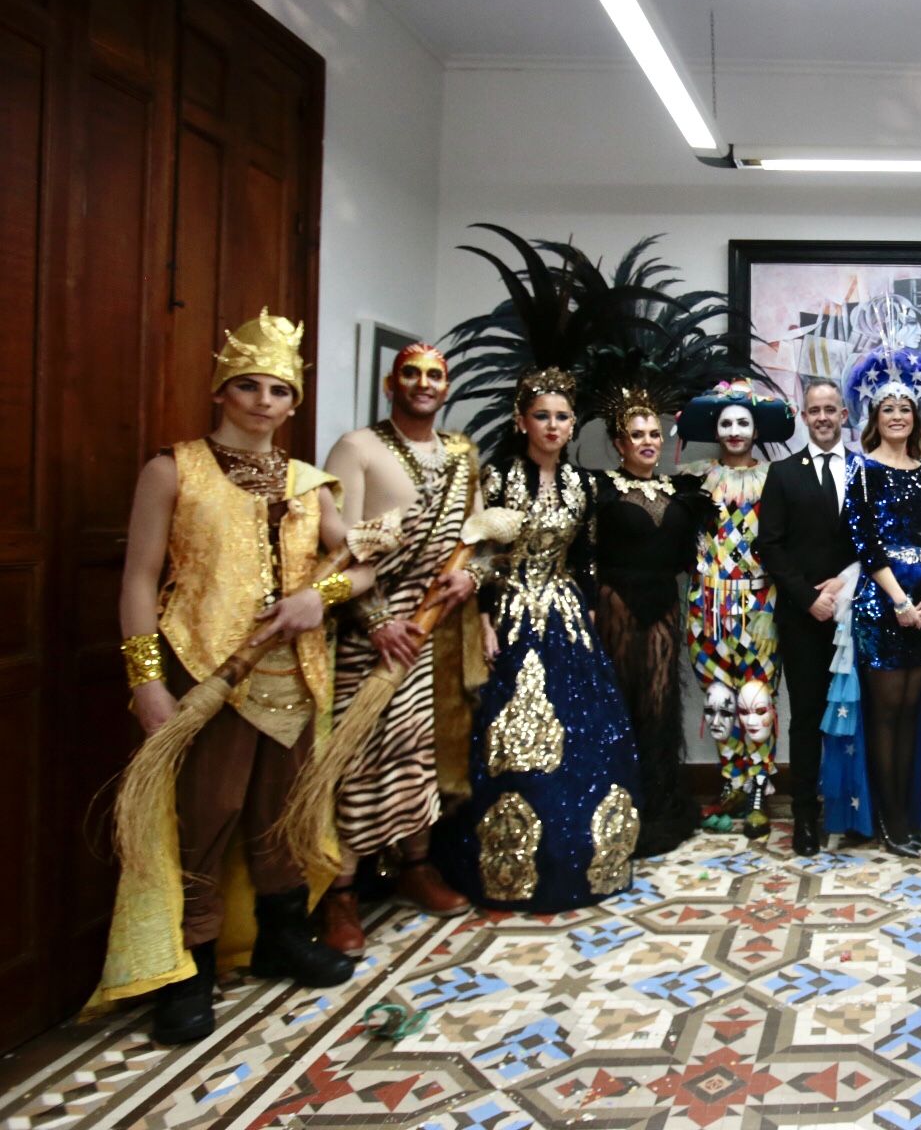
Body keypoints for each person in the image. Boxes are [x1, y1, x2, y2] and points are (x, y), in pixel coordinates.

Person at [91, 310, 375, 1044]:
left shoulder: (311, 483)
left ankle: (281, 936)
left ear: (294, 403)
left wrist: (324, 595)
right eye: (247, 385)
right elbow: (137, 580)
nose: (262, 401)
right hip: (203, 670)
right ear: (222, 392)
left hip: (293, 676)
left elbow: (359, 565)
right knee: (204, 814)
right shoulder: (172, 468)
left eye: (278, 390)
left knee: (281, 813)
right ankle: (188, 964)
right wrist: (145, 681)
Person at [434, 367, 643, 912]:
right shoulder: (497, 477)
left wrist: (590, 612)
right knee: (505, 739)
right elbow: (477, 554)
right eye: (543, 416)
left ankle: (580, 861)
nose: (553, 426)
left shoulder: (581, 483)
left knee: (586, 736)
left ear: (574, 424)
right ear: (521, 420)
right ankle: (503, 864)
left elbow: (587, 555)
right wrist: (481, 620)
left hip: (567, 615)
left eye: (562, 417)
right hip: (506, 612)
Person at [312, 341, 480, 956]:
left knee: (420, 754)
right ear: (391, 384)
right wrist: (378, 617)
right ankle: (341, 892)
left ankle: (416, 866)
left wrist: (472, 577)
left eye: (434, 375)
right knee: (356, 762)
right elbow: (338, 547)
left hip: (435, 629)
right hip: (370, 633)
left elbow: (479, 534)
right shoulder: (358, 448)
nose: (423, 383)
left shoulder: (460, 454)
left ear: (447, 385)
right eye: (411, 374)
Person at [819, 348, 921, 856]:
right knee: (883, 712)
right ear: (874, 419)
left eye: (905, 409)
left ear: (916, 417)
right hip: (882, 606)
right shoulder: (861, 471)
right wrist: (901, 600)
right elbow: (865, 543)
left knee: (911, 710)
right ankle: (889, 816)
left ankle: (905, 809)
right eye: (888, 410)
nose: (898, 416)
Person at [591, 388, 716, 858]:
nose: (647, 442)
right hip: (616, 605)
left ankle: (658, 806)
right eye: (636, 435)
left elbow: (693, 558)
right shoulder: (600, 490)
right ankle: (615, 806)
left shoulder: (681, 493)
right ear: (619, 444)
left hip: (663, 605)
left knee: (659, 707)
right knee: (621, 704)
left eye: (654, 435)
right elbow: (586, 555)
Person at [681, 380, 796, 838]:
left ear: (755, 429)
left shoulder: (776, 478)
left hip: (760, 603)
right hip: (706, 604)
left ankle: (758, 791)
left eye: (742, 422)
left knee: (756, 699)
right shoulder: (694, 478)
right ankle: (730, 782)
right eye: (725, 422)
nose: (733, 430)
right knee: (720, 700)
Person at [757, 381, 857, 857]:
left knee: (859, 713)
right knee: (808, 717)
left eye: (830, 410)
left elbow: (873, 540)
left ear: (843, 414)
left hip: (858, 610)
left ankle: (855, 810)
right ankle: (804, 817)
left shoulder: (864, 469)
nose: (822, 417)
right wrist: (806, 597)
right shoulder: (782, 473)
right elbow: (769, 545)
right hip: (802, 616)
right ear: (803, 414)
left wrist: (844, 582)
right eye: (814, 410)